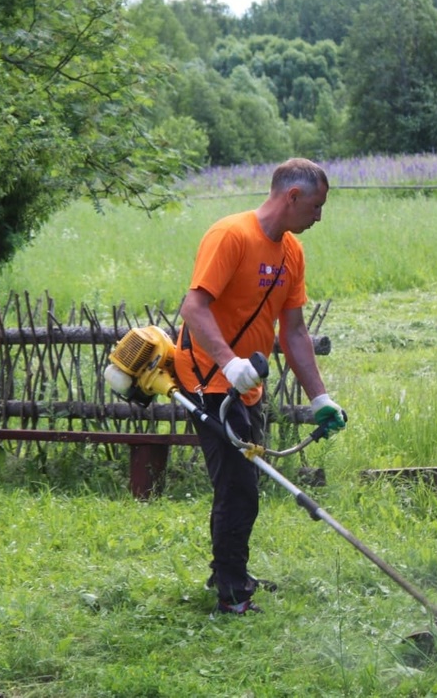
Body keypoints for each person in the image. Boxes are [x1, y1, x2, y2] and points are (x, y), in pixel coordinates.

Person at [172, 157, 347, 615]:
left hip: (245, 388)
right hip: (207, 379)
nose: (319, 217)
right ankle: (231, 591)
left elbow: (293, 332)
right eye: (315, 206)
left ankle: (230, 573)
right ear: (291, 197)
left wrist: (320, 399)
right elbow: (194, 308)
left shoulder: (291, 252)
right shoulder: (231, 235)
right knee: (238, 487)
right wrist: (228, 365)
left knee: (243, 482)